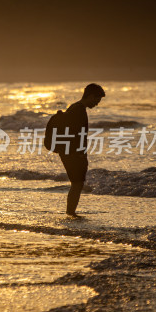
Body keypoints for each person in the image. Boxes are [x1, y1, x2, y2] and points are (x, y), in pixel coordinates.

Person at [59, 83, 106, 217]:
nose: (97, 104)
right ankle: (71, 212)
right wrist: (80, 154)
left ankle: (71, 211)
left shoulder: (75, 107)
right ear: (90, 96)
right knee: (77, 183)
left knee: (77, 183)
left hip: (68, 151)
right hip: (73, 152)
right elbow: (76, 134)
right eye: (97, 100)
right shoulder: (78, 110)